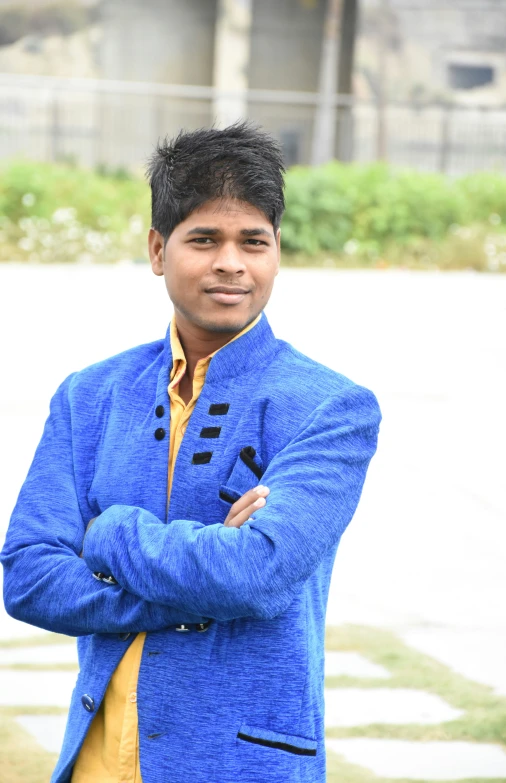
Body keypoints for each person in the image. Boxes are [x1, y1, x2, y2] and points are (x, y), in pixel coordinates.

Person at [1, 122, 381, 783]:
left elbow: (256, 574)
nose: (231, 262)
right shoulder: (90, 396)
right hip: (97, 760)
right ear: (158, 249)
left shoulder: (330, 408)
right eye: (204, 239)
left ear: (276, 252)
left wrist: (108, 533)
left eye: (253, 241)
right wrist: (205, 578)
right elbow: (29, 575)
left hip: (241, 764)